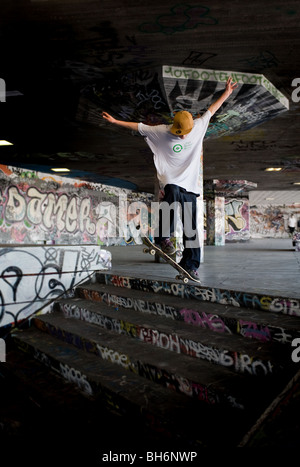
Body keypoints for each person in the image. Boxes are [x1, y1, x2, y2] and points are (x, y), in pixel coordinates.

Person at [102, 77, 238, 281]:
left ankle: (190, 265)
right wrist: (115, 121)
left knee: (191, 230)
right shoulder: (162, 132)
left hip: (191, 187)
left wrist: (226, 92)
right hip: (172, 182)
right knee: (172, 192)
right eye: (179, 133)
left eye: (186, 134)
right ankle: (163, 236)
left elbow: (212, 109)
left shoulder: (199, 125)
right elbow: (138, 126)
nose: (183, 137)